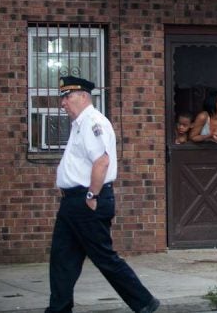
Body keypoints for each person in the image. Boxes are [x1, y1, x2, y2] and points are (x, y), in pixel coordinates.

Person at [47, 76, 159, 313]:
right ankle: (58, 309)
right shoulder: (80, 124)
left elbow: (102, 161)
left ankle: (144, 302)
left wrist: (91, 196)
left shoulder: (93, 122)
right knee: (62, 259)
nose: (63, 103)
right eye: (63, 98)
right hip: (73, 203)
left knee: (104, 258)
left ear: (83, 97)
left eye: (67, 97)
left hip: (87, 200)